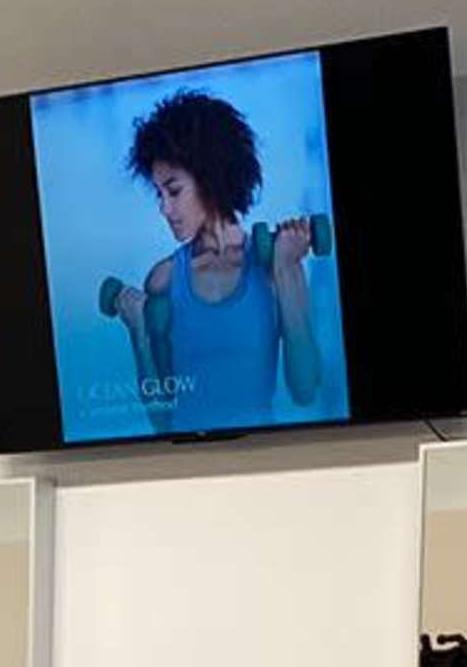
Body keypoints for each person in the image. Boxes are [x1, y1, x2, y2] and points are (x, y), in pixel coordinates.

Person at [98, 84, 328, 427]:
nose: (164, 208)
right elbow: (161, 420)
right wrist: (138, 332)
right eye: (159, 194)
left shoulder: (273, 266)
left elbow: (305, 389)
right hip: (184, 458)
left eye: (174, 191)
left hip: (266, 456)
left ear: (211, 179)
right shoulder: (163, 279)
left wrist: (287, 267)